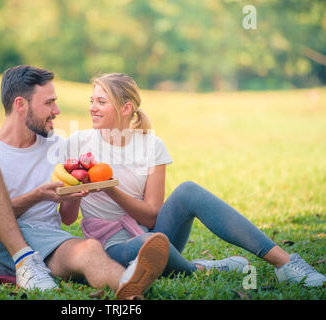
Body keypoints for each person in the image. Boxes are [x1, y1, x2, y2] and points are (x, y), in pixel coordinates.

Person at [61, 72, 326, 288]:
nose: (92, 108)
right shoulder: (78, 144)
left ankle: (285, 262)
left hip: (155, 234)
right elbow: (68, 218)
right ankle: (200, 268)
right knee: (145, 246)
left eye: (101, 102)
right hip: (114, 247)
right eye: (91, 100)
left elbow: (152, 217)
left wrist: (111, 188)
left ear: (125, 107)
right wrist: (74, 194)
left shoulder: (151, 145)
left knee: (187, 191)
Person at [0, 65, 170, 299]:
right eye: (48, 103)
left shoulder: (59, 146)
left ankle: (129, 289)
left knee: (90, 249)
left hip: (46, 243)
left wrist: (78, 192)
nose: (56, 110)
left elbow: (68, 216)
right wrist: (37, 196)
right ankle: (24, 261)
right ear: (20, 105)